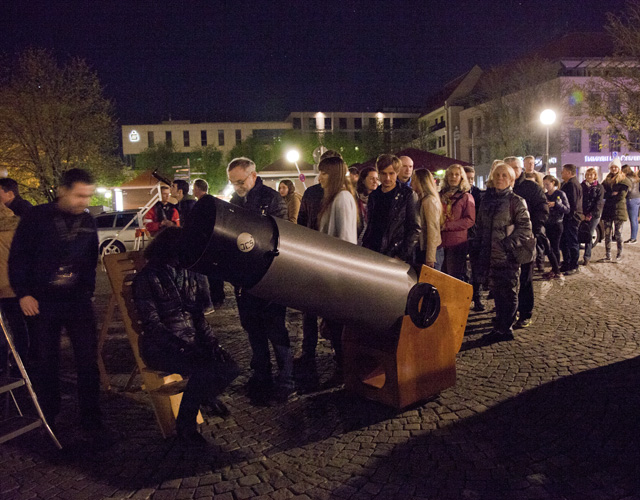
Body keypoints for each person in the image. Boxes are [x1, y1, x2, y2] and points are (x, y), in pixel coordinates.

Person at [8, 169, 110, 445]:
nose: (83, 202)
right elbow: (18, 257)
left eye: (88, 196)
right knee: (46, 359)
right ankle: (49, 415)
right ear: (61, 191)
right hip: (43, 299)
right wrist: (24, 293)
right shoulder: (36, 217)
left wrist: (88, 290)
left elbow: (91, 258)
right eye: (79, 195)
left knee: (88, 359)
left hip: (77, 299)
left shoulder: (88, 220)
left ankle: (91, 415)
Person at [132, 227, 238, 445]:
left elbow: (199, 317)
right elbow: (152, 325)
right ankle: (185, 426)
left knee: (230, 367)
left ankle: (203, 395)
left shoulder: (190, 273)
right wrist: (185, 349)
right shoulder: (147, 278)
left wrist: (212, 345)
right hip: (160, 347)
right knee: (203, 369)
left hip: (191, 343)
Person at [227, 157, 293, 404]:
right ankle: (262, 375)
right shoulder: (235, 201)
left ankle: (287, 380)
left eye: (240, 181)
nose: (236, 187)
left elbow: (281, 235)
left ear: (253, 175)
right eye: (232, 182)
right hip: (245, 279)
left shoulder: (272, 199)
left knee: (276, 330)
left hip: (270, 274)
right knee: (253, 329)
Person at [472, 162, 532, 341]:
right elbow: (480, 226)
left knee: (509, 291)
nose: (500, 178)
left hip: (507, 256)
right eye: (497, 175)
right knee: (497, 291)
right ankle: (501, 324)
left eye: (504, 175)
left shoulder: (516, 201)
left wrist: (507, 245)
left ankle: (506, 329)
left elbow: (525, 229)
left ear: (512, 179)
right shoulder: (486, 200)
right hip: (489, 255)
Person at [296, 150, 340, 366]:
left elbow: (301, 225)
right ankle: (326, 351)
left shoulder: (338, 195)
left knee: (314, 309)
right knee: (316, 309)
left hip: (317, 255)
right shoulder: (314, 193)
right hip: (317, 256)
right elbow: (302, 222)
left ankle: (311, 350)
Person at [316, 156, 358, 386]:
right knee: (334, 326)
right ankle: (343, 369)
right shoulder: (335, 198)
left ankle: (345, 372)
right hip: (333, 272)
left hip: (338, 275)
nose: (319, 177)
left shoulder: (342, 198)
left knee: (338, 327)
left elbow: (345, 241)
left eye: (323, 173)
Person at [505, 156, 548, 328]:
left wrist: (532, 233)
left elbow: (542, 212)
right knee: (507, 279)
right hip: (505, 242)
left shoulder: (531, 188)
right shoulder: (499, 189)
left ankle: (525, 313)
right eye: (508, 168)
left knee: (525, 279)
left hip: (525, 241)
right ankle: (509, 312)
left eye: (515, 168)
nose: (512, 172)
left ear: (521, 169)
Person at [361, 154, 420, 263]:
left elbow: (414, 228)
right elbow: (371, 225)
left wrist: (401, 255)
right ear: (379, 174)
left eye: (391, 173)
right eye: (383, 174)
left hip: (395, 253)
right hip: (374, 251)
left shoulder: (407, 195)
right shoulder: (374, 195)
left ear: (397, 173)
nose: (387, 178)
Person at [0, 202, 28, 374]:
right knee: (18, 326)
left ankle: (3, 365)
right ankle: (21, 363)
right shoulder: (17, 229)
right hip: (14, 285)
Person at [439, 164, 476, 281]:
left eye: (456, 174)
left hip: (457, 243)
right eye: (450, 174)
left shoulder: (466, 197)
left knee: (454, 277)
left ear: (461, 177)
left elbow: (470, 220)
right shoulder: (440, 195)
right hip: (440, 242)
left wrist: (448, 225)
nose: (453, 177)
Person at [600, 158, 631, 263]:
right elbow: (602, 193)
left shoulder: (624, 181)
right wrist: (611, 194)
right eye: (612, 167)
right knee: (607, 234)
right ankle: (608, 255)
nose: (614, 169)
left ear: (619, 168)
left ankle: (619, 255)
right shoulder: (606, 180)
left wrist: (610, 196)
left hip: (619, 211)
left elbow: (621, 196)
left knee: (618, 234)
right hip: (608, 210)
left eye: (616, 167)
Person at [411, 169, 441, 268]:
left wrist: (430, 257)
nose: (411, 183)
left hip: (429, 251)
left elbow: (432, 229)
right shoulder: (421, 199)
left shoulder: (429, 201)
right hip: (423, 249)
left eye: (414, 180)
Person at [541, 175, 569, 280]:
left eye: (547, 184)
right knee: (549, 247)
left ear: (553, 183)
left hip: (557, 223)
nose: (546, 186)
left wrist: (556, 204)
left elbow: (567, 209)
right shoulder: (544, 195)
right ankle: (554, 268)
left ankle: (556, 269)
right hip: (548, 223)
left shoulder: (560, 194)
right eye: (544, 185)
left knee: (555, 247)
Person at [559, 163, 583, 274]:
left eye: (563, 171)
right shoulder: (570, 183)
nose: (561, 173)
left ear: (569, 172)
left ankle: (574, 265)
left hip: (571, 218)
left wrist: (568, 214)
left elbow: (572, 203)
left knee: (572, 241)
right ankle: (567, 263)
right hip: (570, 217)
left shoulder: (572, 185)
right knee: (566, 241)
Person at [581, 167, 605, 266]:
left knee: (589, 234)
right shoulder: (581, 186)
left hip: (594, 215)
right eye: (587, 174)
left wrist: (590, 215)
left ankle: (587, 257)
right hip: (582, 214)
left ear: (595, 176)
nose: (589, 176)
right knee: (580, 233)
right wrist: (582, 213)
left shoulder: (599, 187)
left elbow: (599, 203)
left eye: (591, 174)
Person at [355, 166, 379, 242]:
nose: (375, 181)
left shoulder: (380, 199)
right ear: (363, 180)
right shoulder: (356, 199)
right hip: (359, 240)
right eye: (372, 178)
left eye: (377, 179)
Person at [622, 165, 640, 244]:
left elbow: (628, 189)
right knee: (635, 219)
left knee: (633, 219)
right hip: (637, 198)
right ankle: (634, 237)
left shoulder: (627, 179)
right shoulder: (635, 178)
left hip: (631, 198)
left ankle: (633, 238)